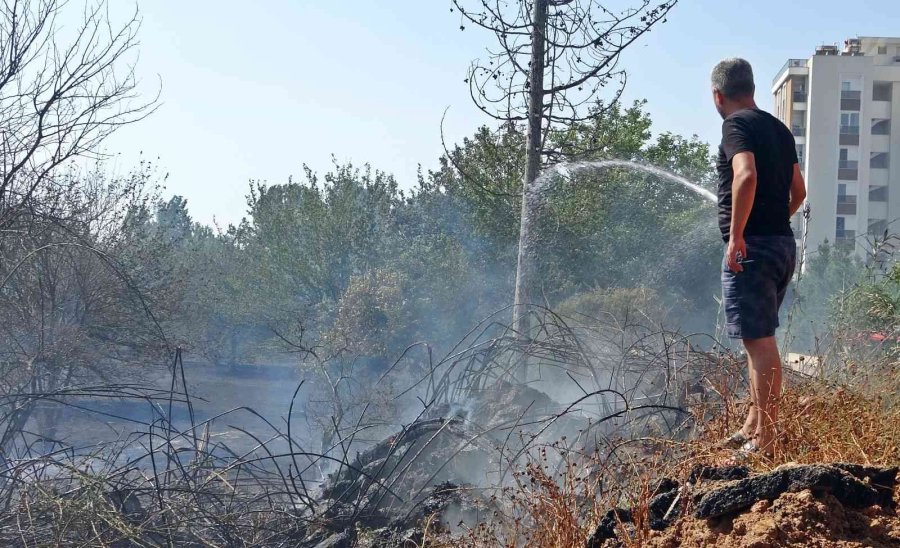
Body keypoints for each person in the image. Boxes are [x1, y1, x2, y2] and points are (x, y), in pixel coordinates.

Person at [711, 58, 807, 458]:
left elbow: (745, 175)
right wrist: (771, 221)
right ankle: (752, 425)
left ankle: (765, 441)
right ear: (750, 88)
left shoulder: (736, 125)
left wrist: (738, 236)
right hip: (782, 246)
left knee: (760, 343)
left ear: (718, 96)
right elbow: (799, 193)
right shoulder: (779, 128)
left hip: (753, 248)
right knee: (759, 340)